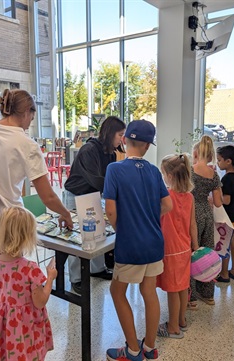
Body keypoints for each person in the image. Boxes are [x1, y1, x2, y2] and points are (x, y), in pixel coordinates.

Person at [0, 89, 73, 361]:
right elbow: (46, 195)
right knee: (7, 291)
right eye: (32, 114)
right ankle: (8, 346)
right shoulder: (25, 144)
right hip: (7, 228)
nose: (32, 120)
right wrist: (66, 214)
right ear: (26, 112)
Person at [103, 120, 172, 361]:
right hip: (154, 242)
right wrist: (148, 217)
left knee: (117, 291)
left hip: (130, 244)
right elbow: (168, 204)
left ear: (125, 141)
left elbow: (110, 210)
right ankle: (150, 348)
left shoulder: (115, 169)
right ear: (146, 146)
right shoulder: (153, 171)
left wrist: (123, 227)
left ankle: (132, 349)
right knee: (149, 291)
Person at [63, 116, 126, 294]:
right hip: (76, 195)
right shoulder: (88, 150)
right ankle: (75, 278)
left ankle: (97, 269)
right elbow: (97, 180)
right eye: (120, 134)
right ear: (110, 133)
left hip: (93, 195)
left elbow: (109, 180)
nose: (122, 139)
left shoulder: (111, 153)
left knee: (98, 233)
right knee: (77, 238)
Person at [0, 207, 56, 361]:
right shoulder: (30, 268)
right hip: (26, 321)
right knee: (28, 351)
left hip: (5, 317)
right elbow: (40, 302)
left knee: (11, 350)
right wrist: (51, 278)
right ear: (27, 237)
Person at [156, 154, 198, 339]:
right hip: (185, 248)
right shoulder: (189, 197)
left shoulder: (166, 197)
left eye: (163, 173)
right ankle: (181, 320)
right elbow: (193, 224)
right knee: (182, 287)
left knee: (173, 289)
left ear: (170, 176)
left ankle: (172, 327)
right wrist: (195, 247)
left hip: (170, 250)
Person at [189, 135, 222, 307]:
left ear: (195, 153)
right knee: (206, 252)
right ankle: (208, 294)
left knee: (190, 253)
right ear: (210, 156)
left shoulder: (190, 171)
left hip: (191, 214)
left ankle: (191, 297)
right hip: (207, 215)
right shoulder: (214, 175)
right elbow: (218, 202)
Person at [215, 145, 234, 282]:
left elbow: (226, 200)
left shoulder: (226, 179)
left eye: (219, 160)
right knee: (233, 243)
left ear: (228, 161)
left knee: (225, 244)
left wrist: (213, 197)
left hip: (229, 217)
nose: (217, 162)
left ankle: (224, 274)